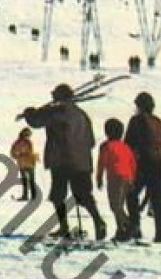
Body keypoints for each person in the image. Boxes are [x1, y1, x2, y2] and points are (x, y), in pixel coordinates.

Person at [21, 84, 106, 241]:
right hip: (82, 161)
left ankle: (64, 226)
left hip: (61, 161)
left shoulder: (55, 112)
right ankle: (98, 220)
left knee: (58, 195)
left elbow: (36, 122)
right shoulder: (82, 115)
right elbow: (91, 141)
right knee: (84, 195)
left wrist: (29, 113)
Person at [124, 92, 161, 243]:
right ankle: (160, 233)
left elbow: (128, 144)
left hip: (143, 164)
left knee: (131, 194)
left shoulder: (136, 121)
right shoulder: (158, 121)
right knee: (158, 200)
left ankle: (135, 227)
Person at [95, 118, 137, 241]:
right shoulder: (125, 146)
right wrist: (132, 178)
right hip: (127, 177)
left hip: (114, 177)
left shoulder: (105, 146)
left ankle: (128, 225)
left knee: (115, 205)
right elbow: (132, 163)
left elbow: (101, 163)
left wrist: (99, 177)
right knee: (119, 204)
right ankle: (121, 229)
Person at [10, 127, 38, 202]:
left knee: (29, 180)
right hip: (24, 163)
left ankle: (32, 196)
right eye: (27, 135)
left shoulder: (26, 142)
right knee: (27, 180)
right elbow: (13, 153)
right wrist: (19, 155)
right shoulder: (19, 142)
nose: (28, 136)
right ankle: (29, 196)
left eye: (28, 135)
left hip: (27, 163)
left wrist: (20, 155)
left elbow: (30, 152)